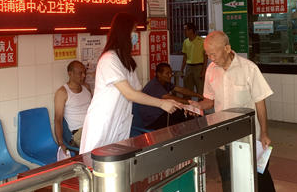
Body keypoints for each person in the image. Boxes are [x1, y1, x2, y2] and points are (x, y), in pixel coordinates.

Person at [193, 31, 280, 192]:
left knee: (261, 183)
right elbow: (210, 101)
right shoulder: (211, 69)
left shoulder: (248, 68)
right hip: (223, 140)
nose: (211, 58)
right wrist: (197, 105)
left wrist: (264, 133)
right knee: (228, 184)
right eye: (208, 54)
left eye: (214, 53)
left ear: (227, 48)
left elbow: (260, 102)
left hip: (251, 140)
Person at [79, 13, 182, 154]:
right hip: (102, 122)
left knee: (116, 161)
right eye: (134, 31)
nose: (136, 35)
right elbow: (129, 94)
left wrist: (170, 102)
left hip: (120, 121)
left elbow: (137, 93)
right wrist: (161, 103)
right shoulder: (109, 59)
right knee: (94, 162)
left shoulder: (127, 62)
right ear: (124, 32)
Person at [138, 62, 204, 130]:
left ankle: (199, 130)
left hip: (163, 113)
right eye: (167, 73)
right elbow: (171, 98)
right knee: (178, 126)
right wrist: (191, 103)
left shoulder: (166, 83)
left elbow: (181, 90)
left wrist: (199, 95)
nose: (170, 75)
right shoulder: (154, 85)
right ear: (159, 74)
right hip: (152, 120)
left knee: (186, 113)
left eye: (171, 73)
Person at [54, 61, 92, 151]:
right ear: (70, 74)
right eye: (80, 73)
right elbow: (58, 119)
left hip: (93, 126)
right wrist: (60, 143)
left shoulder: (86, 87)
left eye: (84, 72)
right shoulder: (62, 92)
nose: (84, 75)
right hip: (80, 131)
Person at [180, 22, 207, 96]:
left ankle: (201, 103)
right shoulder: (186, 42)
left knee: (200, 90)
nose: (184, 32)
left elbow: (205, 57)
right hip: (189, 67)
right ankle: (187, 103)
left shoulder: (202, 41)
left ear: (191, 30)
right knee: (187, 90)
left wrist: (203, 71)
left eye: (185, 30)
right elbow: (185, 56)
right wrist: (182, 68)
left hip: (199, 67)